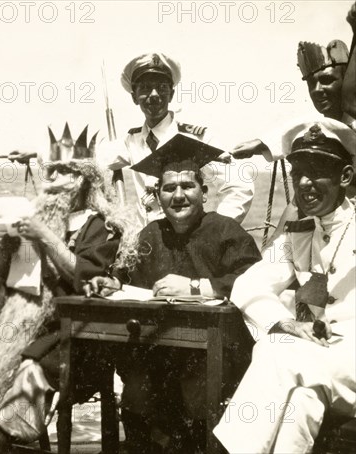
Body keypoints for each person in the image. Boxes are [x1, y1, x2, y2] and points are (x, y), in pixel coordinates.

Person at [0, 124, 135, 453]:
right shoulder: (36, 217)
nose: (50, 182)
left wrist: (44, 235)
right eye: (49, 173)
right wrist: (4, 249)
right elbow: (10, 281)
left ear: (81, 180)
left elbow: (87, 278)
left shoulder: (100, 225)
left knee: (28, 375)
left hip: (69, 334)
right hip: (14, 328)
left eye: (60, 174)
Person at [88, 134, 262, 453]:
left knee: (196, 391)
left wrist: (194, 288)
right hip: (157, 356)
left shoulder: (226, 232)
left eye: (187, 186)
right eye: (169, 188)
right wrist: (111, 285)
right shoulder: (150, 234)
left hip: (215, 358)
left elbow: (257, 283)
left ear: (204, 192)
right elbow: (127, 282)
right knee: (136, 393)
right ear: (158, 194)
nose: (178, 195)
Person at [213, 121, 356, 453]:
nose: (304, 183)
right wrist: (286, 322)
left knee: (275, 349)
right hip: (322, 365)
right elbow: (249, 283)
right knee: (301, 402)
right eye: (298, 173)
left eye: (317, 171)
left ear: (345, 177)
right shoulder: (299, 232)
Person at [97, 52, 254, 225]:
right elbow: (92, 160)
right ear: (134, 97)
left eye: (162, 87)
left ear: (171, 94)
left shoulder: (197, 138)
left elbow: (239, 185)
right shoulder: (131, 141)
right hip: (147, 240)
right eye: (145, 88)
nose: (154, 94)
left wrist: (216, 232)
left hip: (188, 242)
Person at [232, 39, 350, 161]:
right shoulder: (319, 126)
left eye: (327, 80)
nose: (317, 90)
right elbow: (302, 128)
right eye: (311, 84)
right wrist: (260, 143)